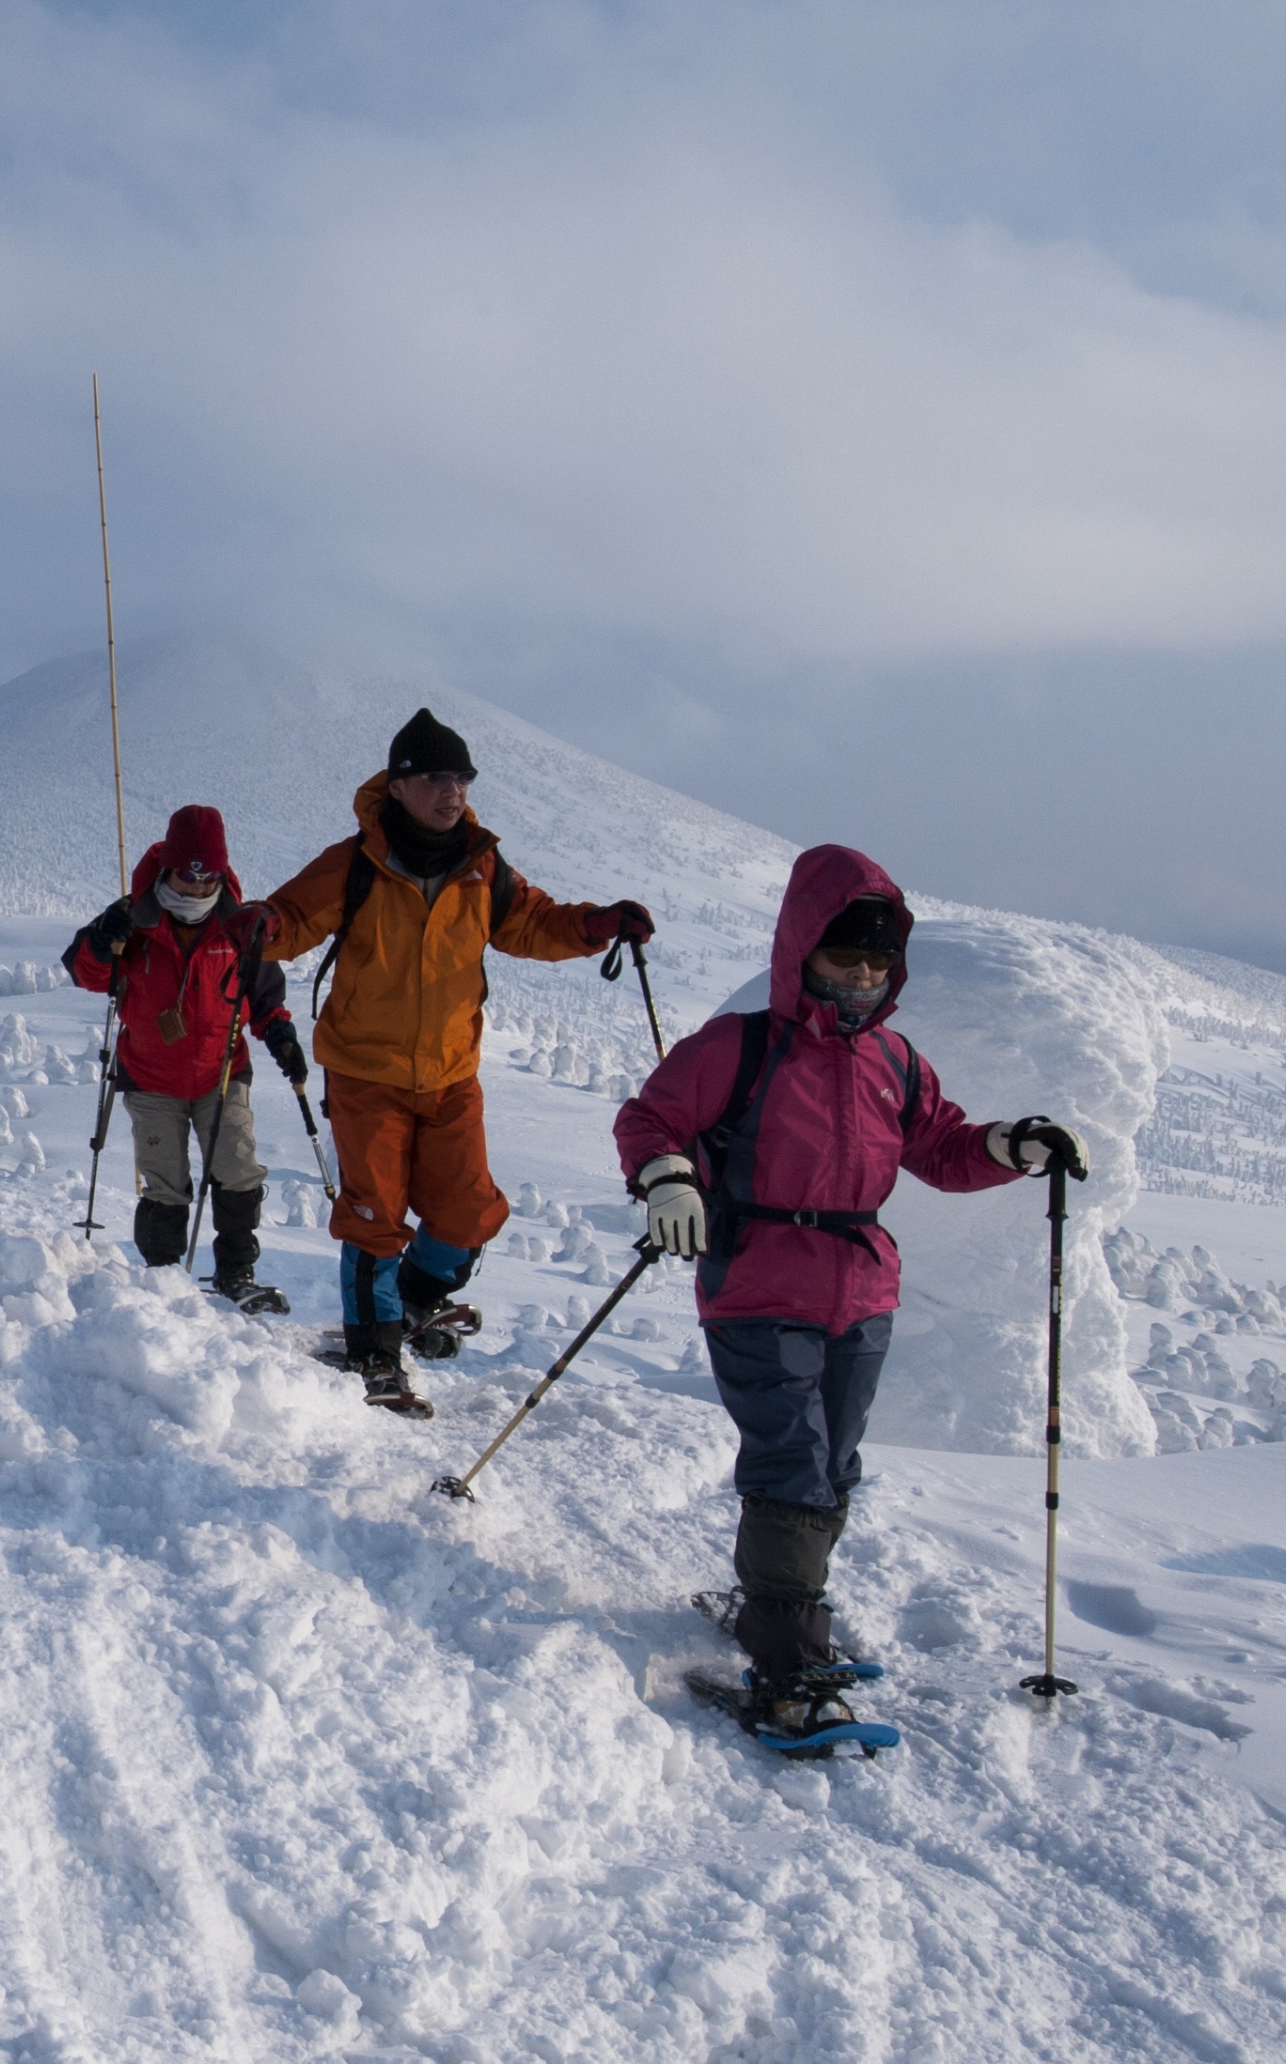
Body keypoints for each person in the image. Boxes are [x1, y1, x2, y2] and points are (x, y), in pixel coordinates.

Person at [613, 844, 1081, 1743]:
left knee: (831, 1466)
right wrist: (669, 1177)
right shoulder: (740, 1047)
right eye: (843, 957)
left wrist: (1014, 1148)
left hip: (861, 1291)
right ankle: (789, 1658)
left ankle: (775, 1605)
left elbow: (940, 1148)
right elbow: (650, 1117)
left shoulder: (894, 1062)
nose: (862, 976)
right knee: (791, 1457)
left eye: (877, 961)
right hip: (756, 1280)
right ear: (801, 952)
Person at [237, 708, 651, 1412]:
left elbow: (535, 924)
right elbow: (294, 919)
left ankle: (413, 1301)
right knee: (374, 1214)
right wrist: (262, 925)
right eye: (435, 778)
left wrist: (597, 925)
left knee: (469, 1210)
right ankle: (375, 1350)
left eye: (460, 778)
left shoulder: (481, 867)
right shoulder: (355, 863)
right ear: (398, 786)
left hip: (452, 1074)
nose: (451, 790)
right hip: (367, 1073)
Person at [63, 804, 307, 1308]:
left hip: (222, 1072)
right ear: (169, 867)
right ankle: (162, 1280)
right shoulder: (132, 918)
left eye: (207, 879)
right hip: (151, 1077)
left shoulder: (240, 924)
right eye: (187, 877)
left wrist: (281, 1035)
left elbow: (262, 997)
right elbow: (88, 975)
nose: (196, 890)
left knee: (237, 1168)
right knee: (165, 1180)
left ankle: (236, 1274)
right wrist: (101, 942)